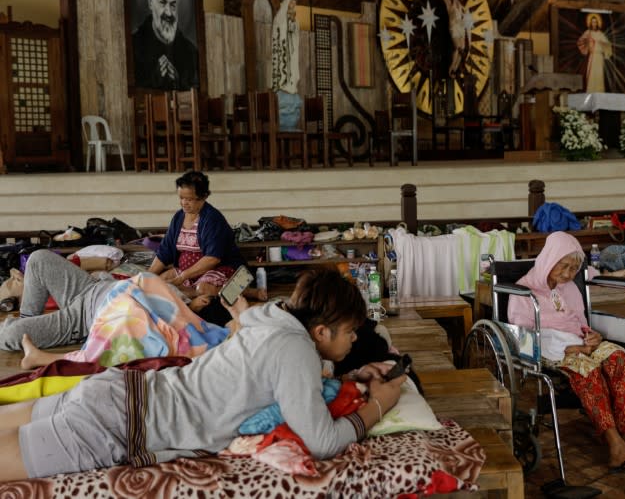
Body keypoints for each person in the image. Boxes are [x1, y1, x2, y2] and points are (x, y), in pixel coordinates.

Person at [0, 268, 405, 482]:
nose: (354, 340)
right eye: (351, 332)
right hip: (119, 424)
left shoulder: (268, 320)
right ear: (321, 331)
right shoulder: (295, 351)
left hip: (119, 390)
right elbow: (322, 442)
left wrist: (342, 371)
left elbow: (288, 365)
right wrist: (377, 408)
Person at [507, 232, 625, 474]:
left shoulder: (569, 288)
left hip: (580, 342)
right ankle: (615, 445)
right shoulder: (523, 292)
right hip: (553, 349)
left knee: (620, 360)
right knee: (589, 371)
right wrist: (571, 348)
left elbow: (579, 321)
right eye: (563, 266)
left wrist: (591, 334)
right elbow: (523, 336)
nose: (568, 274)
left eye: (573, 269)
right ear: (549, 259)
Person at [0, 249, 228, 360]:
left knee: (11, 337)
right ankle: (30, 322)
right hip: (89, 287)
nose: (201, 295)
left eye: (204, 298)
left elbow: (115, 341)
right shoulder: (177, 297)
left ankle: (26, 329)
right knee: (39, 258)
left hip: (84, 317)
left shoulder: (168, 325)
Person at [148, 171, 248, 297]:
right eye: (181, 198)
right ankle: (191, 295)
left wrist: (181, 278)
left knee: (203, 289)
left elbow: (212, 258)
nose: (184, 203)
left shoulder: (212, 219)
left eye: (189, 199)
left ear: (204, 196)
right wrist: (147, 275)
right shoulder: (179, 217)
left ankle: (244, 291)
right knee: (158, 284)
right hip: (187, 273)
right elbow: (165, 251)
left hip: (219, 269)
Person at [132, 0, 199, 90]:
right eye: (162, 2)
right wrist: (153, 81)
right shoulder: (135, 46)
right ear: (150, 2)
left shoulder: (190, 52)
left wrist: (179, 84)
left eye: (173, 5)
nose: (168, 13)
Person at [422, 0, 476, 77]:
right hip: (454, 27)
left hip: (460, 27)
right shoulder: (449, 2)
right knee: (457, 48)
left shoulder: (460, 2)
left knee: (463, 49)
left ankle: (455, 69)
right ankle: (451, 68)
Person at [271, 0, 300, 95]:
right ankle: (282, 84)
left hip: (291, 47)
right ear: (287, 3)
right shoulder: (280, 16)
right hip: (283, 46)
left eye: (295, 3)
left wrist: (293, 21)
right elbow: (277, 30)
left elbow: (295, 32)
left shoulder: (294, 18)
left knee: (292, 66)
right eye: (292, 2)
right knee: (283, 65)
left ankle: (291, 85)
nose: (293, 4)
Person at [577, 13, 612, 93]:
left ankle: (599, 93)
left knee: (599, 76)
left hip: (599, 57)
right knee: (591, 76)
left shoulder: (600, 34)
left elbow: (608, 44)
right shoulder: (588, 32)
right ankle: (590, 92)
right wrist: (588, 42)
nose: (594, 24)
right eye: (592, 22)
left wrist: (601, 43)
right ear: (590, 23)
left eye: (595, 22)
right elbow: (580, 41)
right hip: (592, 56)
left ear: (597, 23)